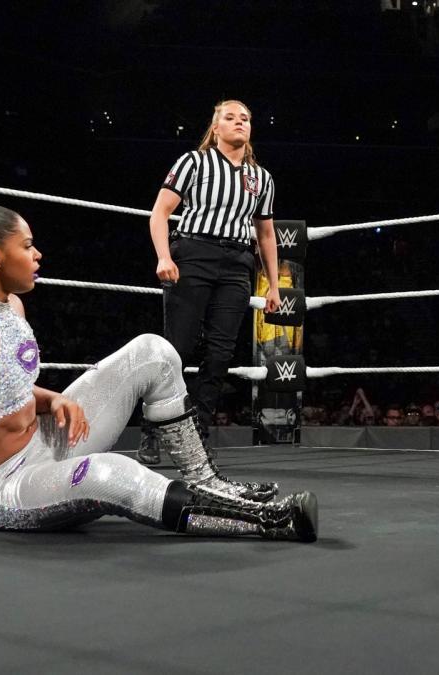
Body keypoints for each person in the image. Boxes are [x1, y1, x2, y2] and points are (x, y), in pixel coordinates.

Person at [0, 192, 315, 546]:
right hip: (2, 490)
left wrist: (52, 398)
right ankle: (265, 522)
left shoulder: (12, 306)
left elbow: (2, 388)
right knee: (113, 472)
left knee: (154, 349)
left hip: (46, 444)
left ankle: (206, 482)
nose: (38, 255)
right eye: (27, 246)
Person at [144, 99, 281, 501]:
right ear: (215, 127)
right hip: (194, 253)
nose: (240, 122)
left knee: (220, 354)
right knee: (177, 349)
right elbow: (159, 212)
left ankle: (197, 436)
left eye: (246, 118)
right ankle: (152, 431)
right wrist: (164, 257)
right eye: (230, 117)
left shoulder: (261, 178)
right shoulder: (193, 162)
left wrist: (273, 286)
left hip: (238, 263)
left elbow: (266, 234)